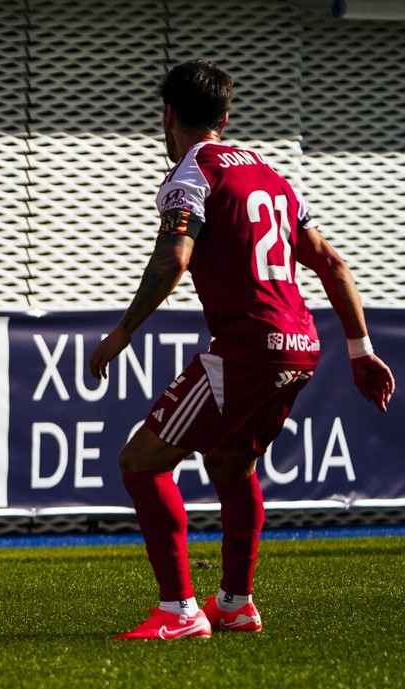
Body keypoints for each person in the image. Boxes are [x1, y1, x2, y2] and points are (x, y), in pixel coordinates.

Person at [90, 60, 395, 640]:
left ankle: (179, 611)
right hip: (301, 344)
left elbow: (175, 257)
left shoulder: (191, 175)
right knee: (232, 462)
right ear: (225, 118)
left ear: (168, 116)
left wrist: (124, 330)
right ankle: (234, 602)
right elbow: (330, 262)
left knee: (141, 461)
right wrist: (359, 348)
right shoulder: (274, 177)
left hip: (248, 345)